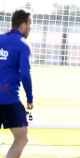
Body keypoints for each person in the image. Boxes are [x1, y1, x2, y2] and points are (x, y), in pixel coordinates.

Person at [0, 9, 33, 158]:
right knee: (22, 138)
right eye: (30, 23)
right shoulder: (22, 45)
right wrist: (30, 98)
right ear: (23, 24)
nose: (30, 27)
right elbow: (25, 75)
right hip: (8, 99)